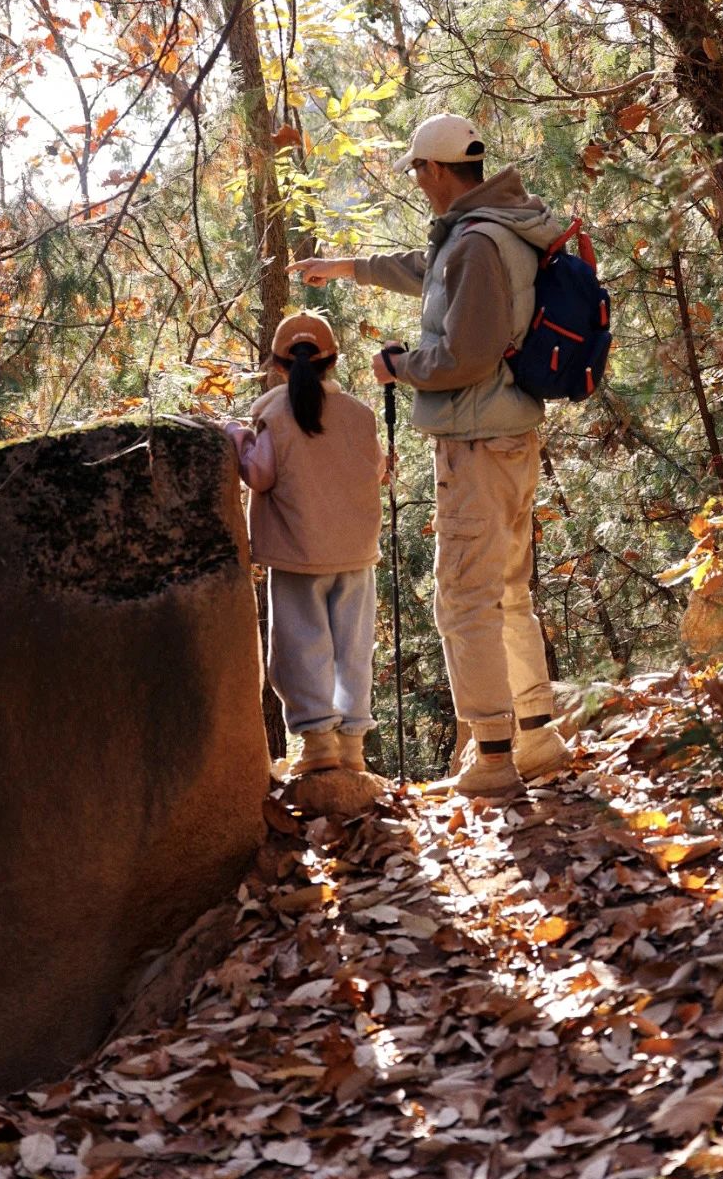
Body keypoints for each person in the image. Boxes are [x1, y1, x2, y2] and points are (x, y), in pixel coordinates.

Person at [291, 113, 574, 799]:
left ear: (436, 169)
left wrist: (399, 367)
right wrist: (345, 268)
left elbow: (465, 356)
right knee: (507, 589)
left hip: (476, 442)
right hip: (509, 434)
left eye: (417, 169)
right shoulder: (497, 227)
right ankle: (537, 738)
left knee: (464, 598)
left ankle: (494, 756)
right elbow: (428, 271)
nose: (417, 181)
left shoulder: (476, 243)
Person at [225, 311, 386, 776]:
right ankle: (352, 748)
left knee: (301, 647)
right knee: (353, 650)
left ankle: (318, 747)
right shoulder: (359, 413)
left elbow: (259, 475)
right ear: (332, 361)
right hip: (355, 552)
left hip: (297, 553)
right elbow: (376, 469)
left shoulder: (273, 414)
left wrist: (236, 436)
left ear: (277, 365)